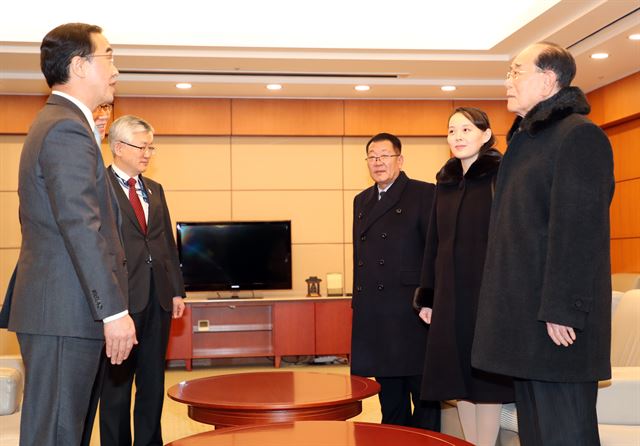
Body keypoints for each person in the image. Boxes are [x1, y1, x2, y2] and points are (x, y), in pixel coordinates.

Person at [0, 23, 137, 446]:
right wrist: (114, 312)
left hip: (62, 308)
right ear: (79, 65)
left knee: (61, 431)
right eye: (109, 57)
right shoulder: (65, 128)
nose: (115, 69)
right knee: (56, 434)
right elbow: (81, 226)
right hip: (64, 309)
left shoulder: (61, 123)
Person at [471, 42, 614, 445]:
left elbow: (579, 231)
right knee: (536, 436)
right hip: (526, 322)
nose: (507, 81)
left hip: (558, 325)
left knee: (566, 435)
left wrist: (563, 309)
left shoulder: (579, 137)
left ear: (548, 81)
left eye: (516, 72)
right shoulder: (528, 142)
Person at [413, 107, 513, 445]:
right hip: (450, 296)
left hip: (487, 294)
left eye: (466, 130)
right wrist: (427, 296)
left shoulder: (501, 177)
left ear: (485, 135)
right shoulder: (446, 183)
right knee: (458, 380)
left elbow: (511, 239)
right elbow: (433, 244)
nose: (457, 136)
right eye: (452, 130)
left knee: (485, 380)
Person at [91, 115, 186, 446]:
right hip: (121, 304)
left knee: (152, 383)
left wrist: (176, 291)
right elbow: (95, 246)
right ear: (118, 147)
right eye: (142, 146)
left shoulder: (155, 190)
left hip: (157, 298)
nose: (148, 153)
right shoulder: (98, 188)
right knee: (116, 387)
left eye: (151, 147)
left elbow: (165, 245)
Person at [351, 132, 440, 430]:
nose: (378, 162)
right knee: (390, 397)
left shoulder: (424, 194)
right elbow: (360, 259)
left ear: (399, 160)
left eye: (384, 156)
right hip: (377, 313)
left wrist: (431, 299)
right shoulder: (361, 200)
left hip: (411, 312)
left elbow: (434, 252)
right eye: (372, 156)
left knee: (424, 395)